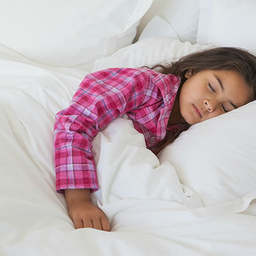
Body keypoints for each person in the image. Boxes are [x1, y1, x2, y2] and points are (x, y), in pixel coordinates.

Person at [54, 47, 256, 231]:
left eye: (226, 108)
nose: (210, 104)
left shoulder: (187, 132)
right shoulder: (144, 85)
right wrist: (79, 201)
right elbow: (76, 122)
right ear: (191, 71)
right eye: (211, 87)